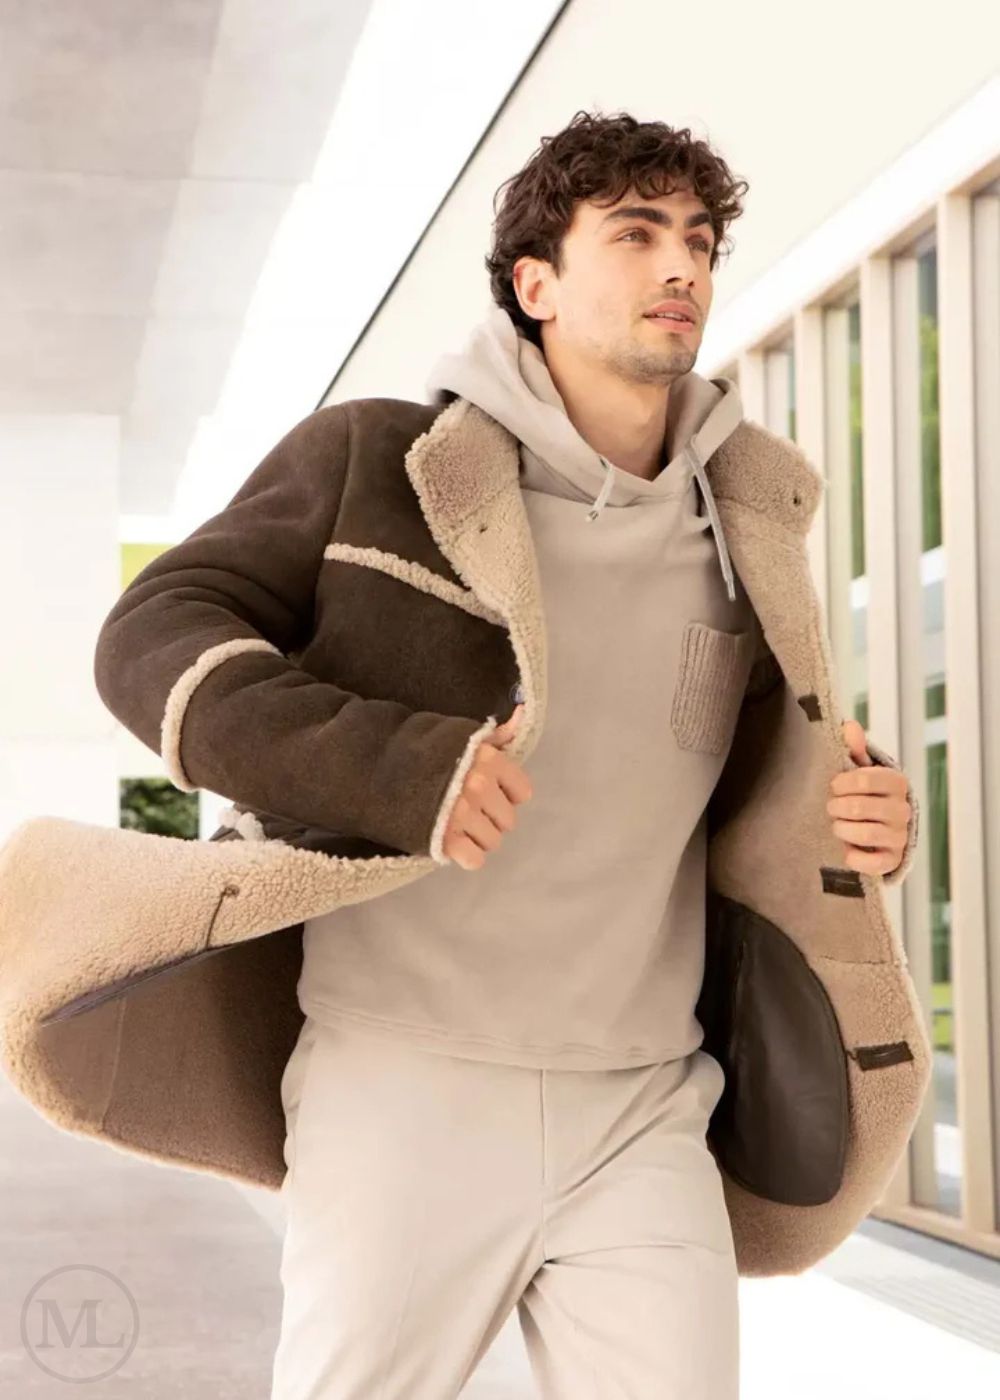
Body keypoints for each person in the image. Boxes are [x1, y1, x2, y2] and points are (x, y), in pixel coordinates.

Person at [269, 109, 754, 1399]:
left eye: (700, 240)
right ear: (534, 285)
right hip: (402, 1075)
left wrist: (870, 818)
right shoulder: (384, 460)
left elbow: (763, 778)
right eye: (638, 234)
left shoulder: (752, 519)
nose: (683, 268)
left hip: (643, 1099)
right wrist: (381, 761)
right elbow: (153, 632)